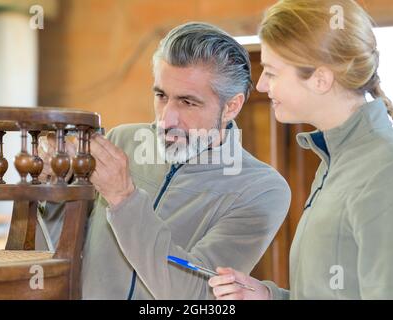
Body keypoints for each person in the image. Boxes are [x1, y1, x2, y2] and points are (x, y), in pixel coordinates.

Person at [36, 22, 291, 300]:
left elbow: (195, 296)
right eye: (161, 96)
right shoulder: (121, 140)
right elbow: (65, 246)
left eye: (188, 102)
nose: (166, 120)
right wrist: (53, 188)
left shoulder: (262, 190)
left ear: (231, 106)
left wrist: (124, 199)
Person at [209, 0, 393, 300]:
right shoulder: (337, 160)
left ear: (320, 79)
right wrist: (269, 297)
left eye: (272, 72)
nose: (263, 85)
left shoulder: (392, 169)